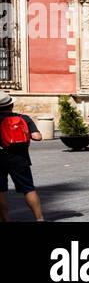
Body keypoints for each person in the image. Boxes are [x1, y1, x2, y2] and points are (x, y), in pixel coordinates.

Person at [0, 90, 45, 222]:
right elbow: (38, 137)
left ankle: (6, 220)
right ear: (11, 105)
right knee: (28, 189)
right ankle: (39, 218)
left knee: (1, 191)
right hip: (20, 159)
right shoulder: (23, 118)